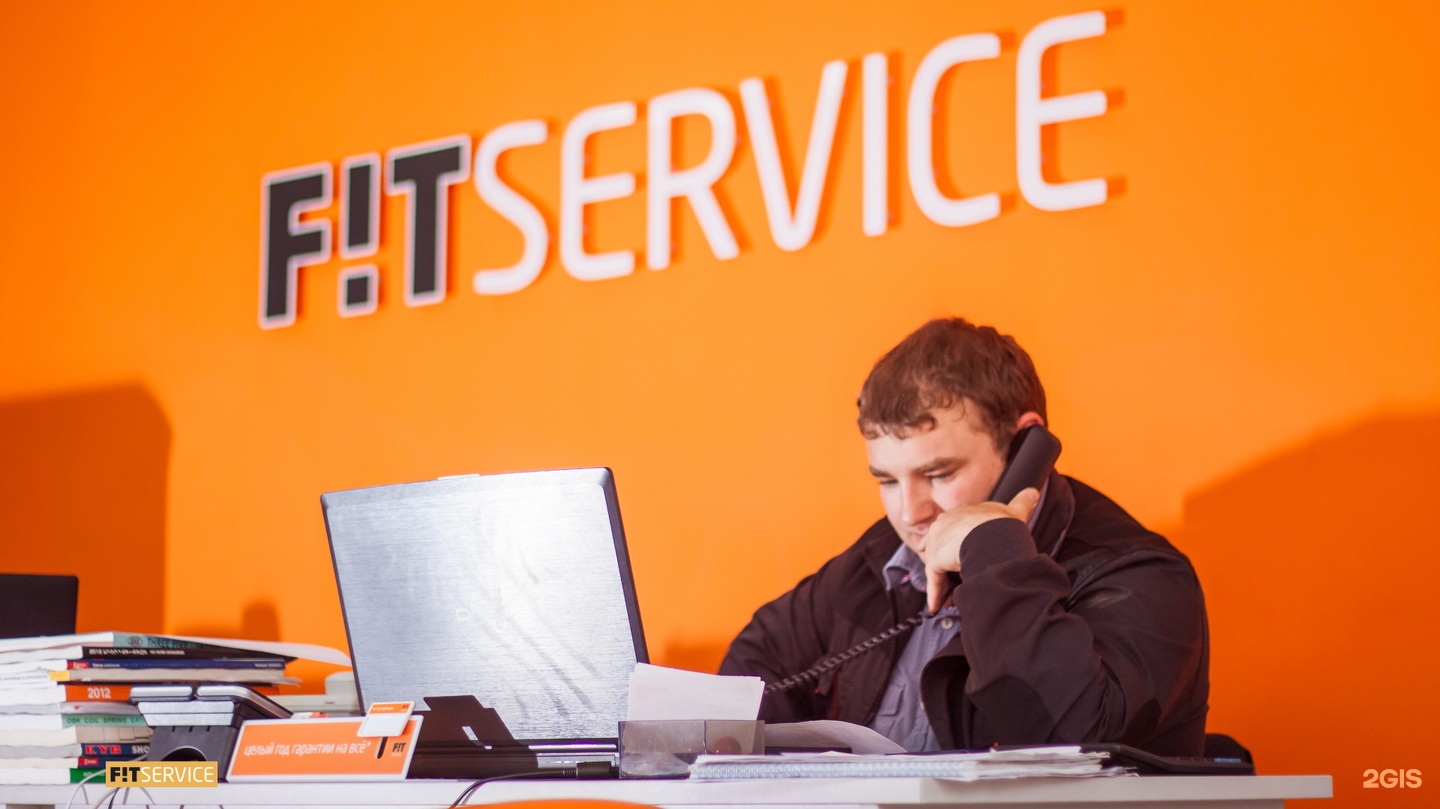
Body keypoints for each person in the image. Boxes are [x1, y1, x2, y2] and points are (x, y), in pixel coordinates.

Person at [719, 318, 1209, 755]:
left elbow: (1066, 741)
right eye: (887, 481)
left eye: (939, 473)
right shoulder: (882, 558)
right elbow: (752, 667)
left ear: (1024, 447)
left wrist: (993, 548)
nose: (910, 512)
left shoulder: (1141, 574)